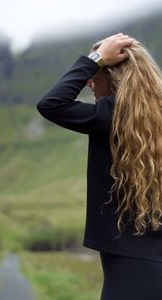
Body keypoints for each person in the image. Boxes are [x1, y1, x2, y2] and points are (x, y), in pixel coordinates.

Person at [36, 33, 162, 300]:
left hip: (130, 270)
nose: (90, 83)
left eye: (97, 74)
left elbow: (52, 104)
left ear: (116, 77)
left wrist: (94, 59)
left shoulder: (111, 116)